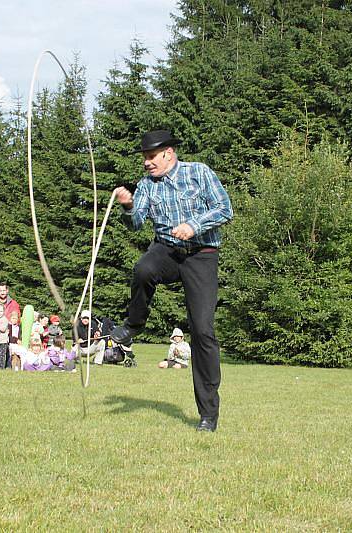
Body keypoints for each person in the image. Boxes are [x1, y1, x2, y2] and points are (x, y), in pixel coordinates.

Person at [112, 129, 233, 432]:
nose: (147, 163)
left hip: (201, 254)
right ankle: (133, 326)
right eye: (144, 158)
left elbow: (224, 209)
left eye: (151, 157)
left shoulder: (199, 173)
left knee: (203, 331)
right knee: (143, 269)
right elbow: (137, 222)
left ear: (168, 153)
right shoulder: (145, 186)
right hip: (166, 250)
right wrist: (127, 205)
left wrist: (194, 225)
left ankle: (208, 414)